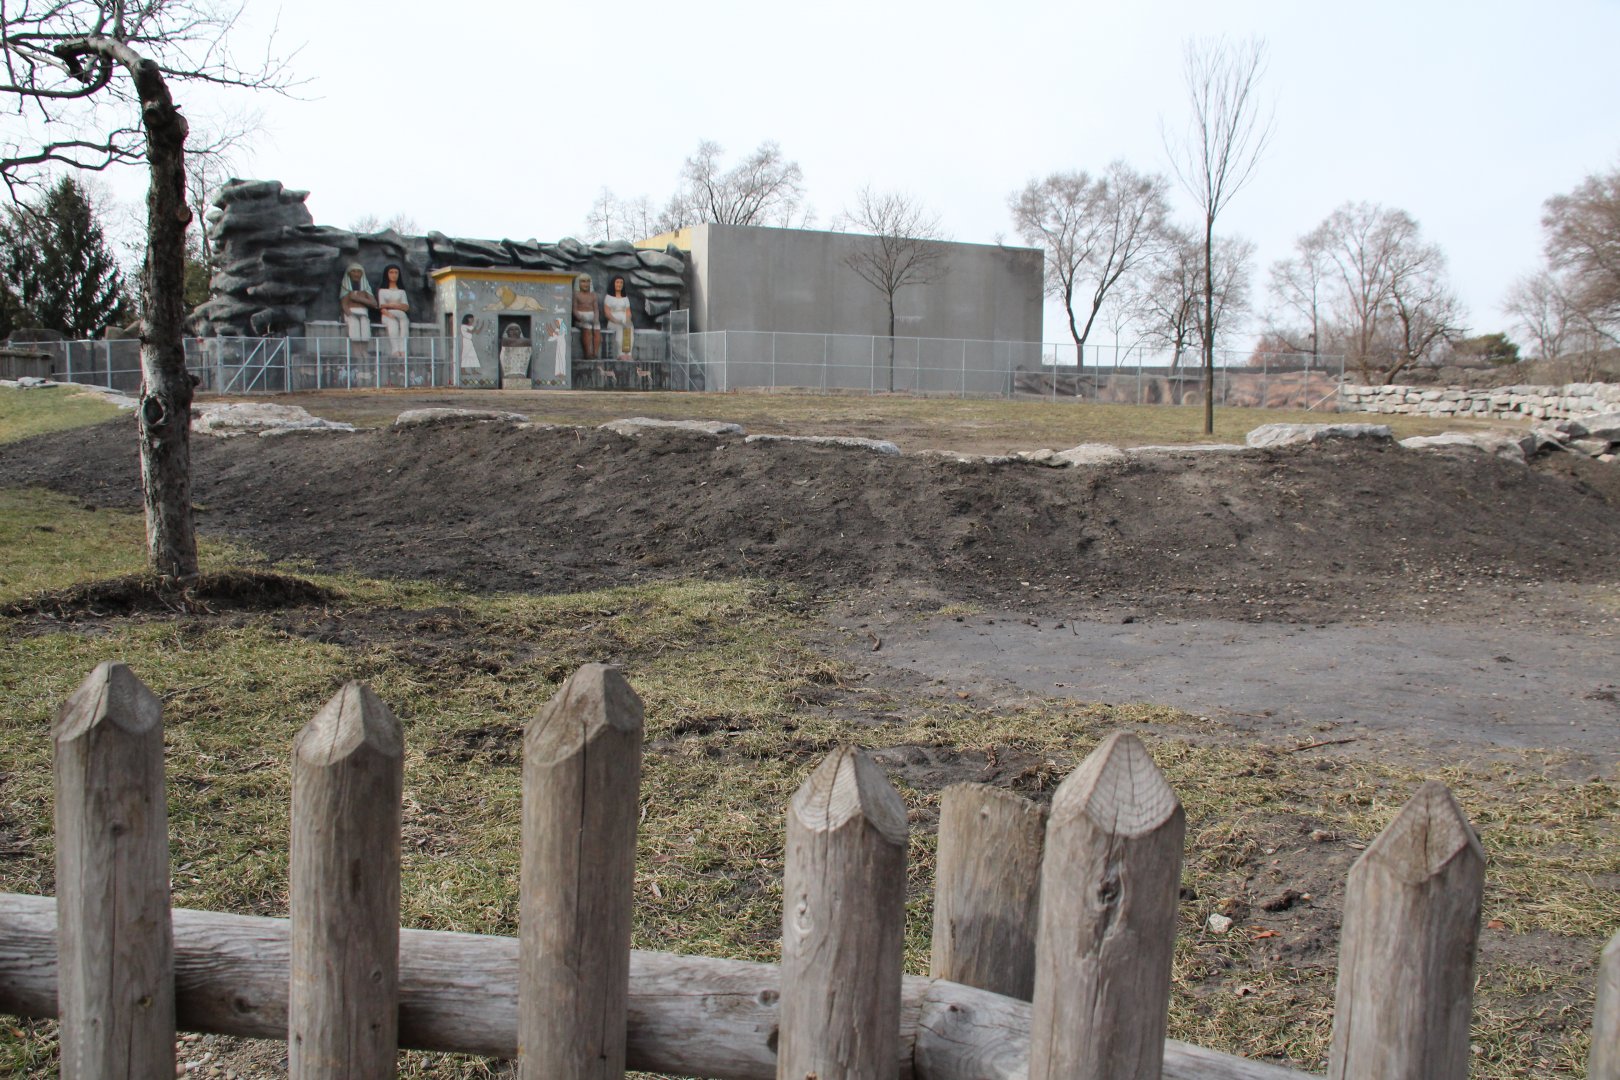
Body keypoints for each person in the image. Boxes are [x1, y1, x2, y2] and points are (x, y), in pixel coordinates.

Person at [338, 264, 378, 350]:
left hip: (363, 313)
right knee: (354, 324)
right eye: (354, 271)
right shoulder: (346, 288)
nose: (356, 274)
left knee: (365, 324)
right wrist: (350, 314)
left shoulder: (366, 289)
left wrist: (358, 298)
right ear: (349, 273)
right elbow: (344, 305)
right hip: (351, 313)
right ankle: (356, 350)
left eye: (359, 271)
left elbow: (374, 304)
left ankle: (363, 350)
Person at [377, 264, 409, 359]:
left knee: (404, 324)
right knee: (393, 324)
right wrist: (390, 312)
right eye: (391, 272)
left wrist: (390, 305)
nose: (394, 275)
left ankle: (403, 349)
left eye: (396, 272)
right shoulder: (382, 291)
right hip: (388, 315)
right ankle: (395, 349)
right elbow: (382, 307)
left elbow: (406, 306)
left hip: (401, 315)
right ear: (387, 274)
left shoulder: (401, 291)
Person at [603, 275, 633, 360]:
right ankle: (620, 354)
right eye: (617, 282)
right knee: (620, 329)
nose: (619, 284)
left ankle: (628, 353)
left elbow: (628, 311)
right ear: (613, 284)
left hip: (624, 319)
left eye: (621, 283)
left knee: (629, 328)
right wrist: (617, 321)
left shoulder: (625, 298)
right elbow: (607, 313)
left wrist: (628, 320)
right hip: (613, 321)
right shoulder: (608, 297)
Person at [572, 276, 601, 359]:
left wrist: (596, 318)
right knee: (587, 327)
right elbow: (574, 310)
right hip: (581, 318)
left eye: (588, 281)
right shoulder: (576, 294)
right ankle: (588, 353)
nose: (586, 284)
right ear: (578, 283)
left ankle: (595, 353)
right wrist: (581, 318)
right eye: (583, 281)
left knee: (597, 328)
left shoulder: (593, 295)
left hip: (592, 317)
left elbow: (596, 309)